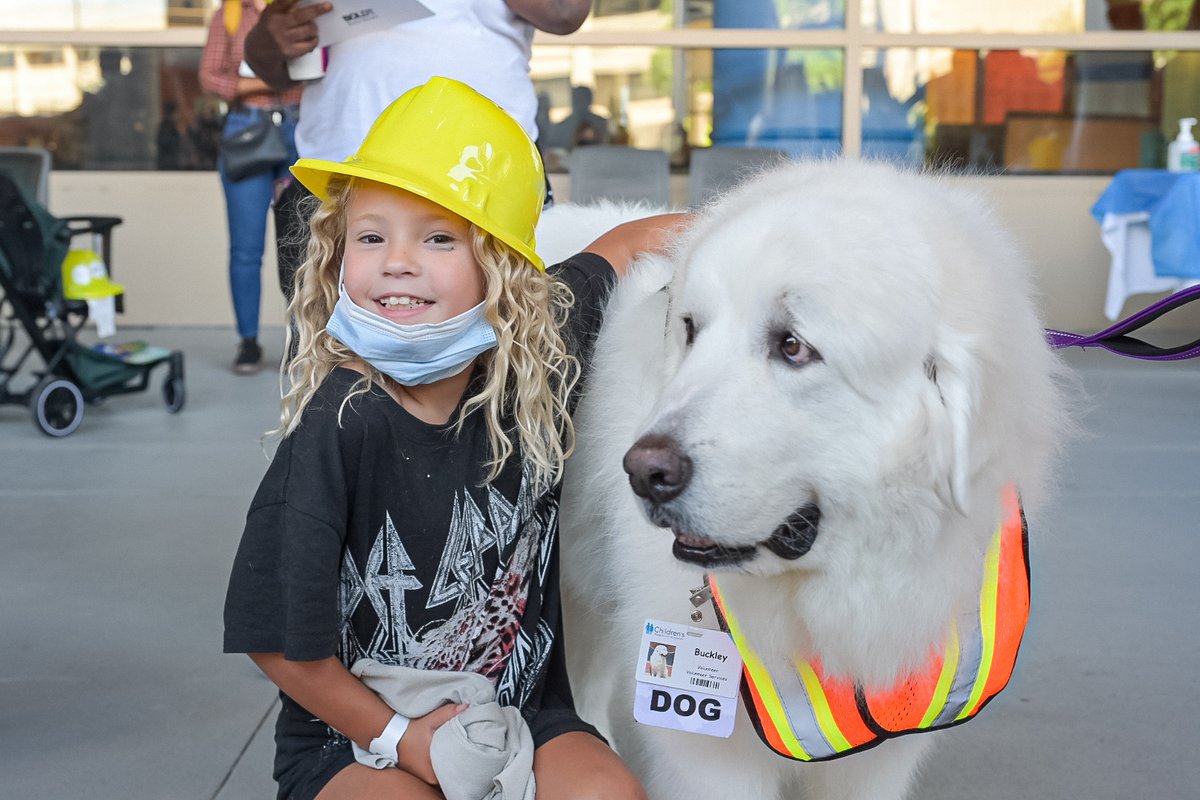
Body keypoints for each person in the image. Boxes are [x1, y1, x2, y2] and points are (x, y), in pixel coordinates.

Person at [223, 77, 685, 799]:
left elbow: (625, 246)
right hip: (355, 737)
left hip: (523, 710)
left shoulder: (541, 356)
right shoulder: (339, 425)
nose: (398, 260)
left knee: (611, 794)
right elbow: (275, 640)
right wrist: (401, 741)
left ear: (500, 270)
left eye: (439, 237)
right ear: (339, 256)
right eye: (371, 236)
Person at [242, 0, 592, 302]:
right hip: (338, 171)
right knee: (321, 345)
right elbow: (269, 50)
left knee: (504, 338)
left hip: (482, 170)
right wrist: (273, 39)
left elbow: (565, 12)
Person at [200, 0, 303, 374]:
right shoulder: (228, 14)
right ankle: (248, 341)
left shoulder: (301, 9)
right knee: (246, 249)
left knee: (303, 244)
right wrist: (264, 83)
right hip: (247, 132)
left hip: (299, 129)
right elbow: (210, 76)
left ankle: (301, 339)